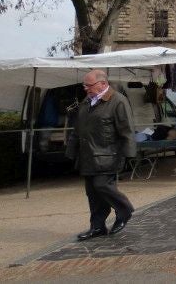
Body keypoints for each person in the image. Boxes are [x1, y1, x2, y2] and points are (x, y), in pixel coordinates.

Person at [65, 69, 136, 241]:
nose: (86, 88)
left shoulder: (118, 101)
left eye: (89, 85)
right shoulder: (86, 102)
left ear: (103, 84)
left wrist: (129, 156)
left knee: (101, 185)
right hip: (88, 156)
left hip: (108, 155)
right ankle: (97, 227)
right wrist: (71, 151)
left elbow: (126, 129)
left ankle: (124, 210)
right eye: (85, 85)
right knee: (92, 193)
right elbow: (78, 129)